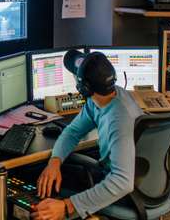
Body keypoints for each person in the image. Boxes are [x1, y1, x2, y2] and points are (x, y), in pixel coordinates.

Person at [33, 50, 143, 220]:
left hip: (125, 190)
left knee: (48, 190)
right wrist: (55, 162)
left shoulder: (119, 118)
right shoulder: (103, 99)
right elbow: (72, 132)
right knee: (50, 172)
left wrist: (67, 206)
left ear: (84, 88)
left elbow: (122, 182)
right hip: (127, 177)